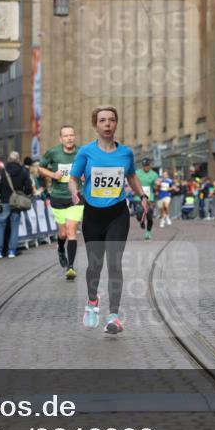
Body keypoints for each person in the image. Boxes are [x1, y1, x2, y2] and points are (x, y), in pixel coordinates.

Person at [68, 105, 150, 335]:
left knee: (114, 263)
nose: (107, 124)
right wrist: (75, 192)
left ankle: (114, 316)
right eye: (102, 120)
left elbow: (131, 176)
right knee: (95, 265)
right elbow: (73, 178)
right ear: (96, 125)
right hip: (93, 215)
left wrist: (142, 196)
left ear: (116, 124)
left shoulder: (126, 153)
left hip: (117, 214)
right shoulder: (85, 152)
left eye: (111, 120)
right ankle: (93, 300)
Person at [38, 125, 83, 280]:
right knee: (63, 233)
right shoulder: (53, 152)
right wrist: (52, 174)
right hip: (57, 197)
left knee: (71, 231)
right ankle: (60, 249)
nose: (69, 138)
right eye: (66, 136)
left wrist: (85, 175)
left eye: (71, 135)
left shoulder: (81, 152)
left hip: (75, 197)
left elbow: (91, 168)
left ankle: (70, 267)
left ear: (74, 137)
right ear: (61, 139)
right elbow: (40, 168)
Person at [0, 151, 33, 259]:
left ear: (8, 159)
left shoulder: (2, 171)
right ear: (18, 160)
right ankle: (12, 251)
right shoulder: (23, 172)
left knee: (0, 226)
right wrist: (23, 193)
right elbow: (28, 188)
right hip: (16, 203)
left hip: (4, 201)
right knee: (14, 227)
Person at [135, 158, 160, 239]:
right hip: (138, 197)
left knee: (149, 216)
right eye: (144, 166)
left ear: (150, 166)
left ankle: (148, 233)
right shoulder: (137, 173)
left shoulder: (154, 174)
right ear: (142, 166)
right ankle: (141, 221)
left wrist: (157, 185)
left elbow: (156, 186)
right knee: (139, 213)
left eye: (147, 166)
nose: (146, 167)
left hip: (150, 198)